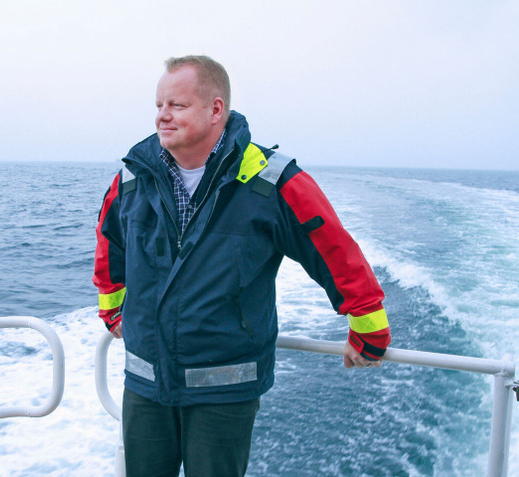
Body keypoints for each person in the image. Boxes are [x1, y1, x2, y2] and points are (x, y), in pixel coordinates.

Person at [93, 55, 391, 477]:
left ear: (216, 110)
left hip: (223, 387)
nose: (162, 116)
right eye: (159, 105)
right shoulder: (131, 180)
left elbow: (330, 246)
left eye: (176, 105)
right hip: (146, 383)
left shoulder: (270, 179)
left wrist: (366, 321)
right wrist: (113, 311)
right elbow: (110, 249)